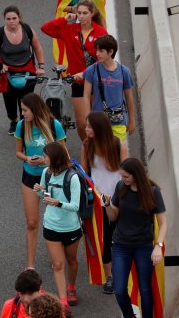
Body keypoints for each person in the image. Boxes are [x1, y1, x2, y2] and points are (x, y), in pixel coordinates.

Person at [102, 158, 167, 318]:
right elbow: (114, 216)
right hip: (120, 245)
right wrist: (107, 205)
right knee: (119, 289)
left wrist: (158, 245)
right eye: (122, 176)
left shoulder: (153, 192)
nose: (122, 180)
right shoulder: (120, 187)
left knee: (145, 289)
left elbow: (163, 222)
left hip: (143, 246)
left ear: (136, 175)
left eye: (126, 177)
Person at [41, 0, 107, 141]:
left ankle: (98, 146)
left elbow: (106, 59)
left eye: (85, 13)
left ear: (92, 13)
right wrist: (64, 19)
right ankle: (87, 146)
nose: (81, 16)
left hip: (96, 81)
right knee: (82, 122)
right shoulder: (69, 30)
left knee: (96, 120)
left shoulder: (100, 32)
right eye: (79, 13)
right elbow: (45, 28)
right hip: (78, 83)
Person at [15, 93, 66, 270]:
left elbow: (63, 153)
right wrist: (27, 158)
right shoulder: (22, 126)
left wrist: (45, 161)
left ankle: (58, 257)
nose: (22, 114)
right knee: (31, 223)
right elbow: (18, 152)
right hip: (30, 176)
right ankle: (30, 266)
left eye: (25, 110)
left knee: (57, 220)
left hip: (53, 177)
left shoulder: (55, 125)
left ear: (35, 110)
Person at [80, 111, 128, 294]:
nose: (86, 129)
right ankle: (110, 278)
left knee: (120, 237)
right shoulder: (87, 145)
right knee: (106, 239)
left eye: (89, 126)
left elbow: (126, 170)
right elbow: (84, 173)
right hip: (99, 201)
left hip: (119, 199)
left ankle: (123, 271)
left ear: (99, 128)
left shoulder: (117, 144)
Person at [33, 142, 82, 316]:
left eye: (46, 156)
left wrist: (58, 203)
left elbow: (75, 206)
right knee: (58, 264)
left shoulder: (72, 177)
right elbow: (45, 196)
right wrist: (40, 190)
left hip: (71, 227)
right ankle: (63, 302)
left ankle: (71, 286)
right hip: (51, 225)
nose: (43, 159)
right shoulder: (46, 173)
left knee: (72, 261)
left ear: (55, 158)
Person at [0, 6, 45, 136]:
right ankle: (14, 120)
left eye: (14, 18)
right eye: (8, 19)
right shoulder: (0, 33)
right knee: (10, 101)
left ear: (19, 18)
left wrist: (41, 66)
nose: (11, 21)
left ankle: (25, 123)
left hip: (28, 71)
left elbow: (38, 48)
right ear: (4, 20)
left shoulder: (27, 30)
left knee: (26, 100)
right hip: (7, 73)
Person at [82, 35, 136, 143]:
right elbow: (86, 96)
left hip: (118, 122)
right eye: (96, 50)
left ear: (111, 52)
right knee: (101, 155)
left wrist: (132, 120)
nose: (97, 54)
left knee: (118, 154)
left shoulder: (124, 71)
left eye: (101, 51)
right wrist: (88, 119)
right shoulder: (91, 70)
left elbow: (129, 97)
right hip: (98, 122)